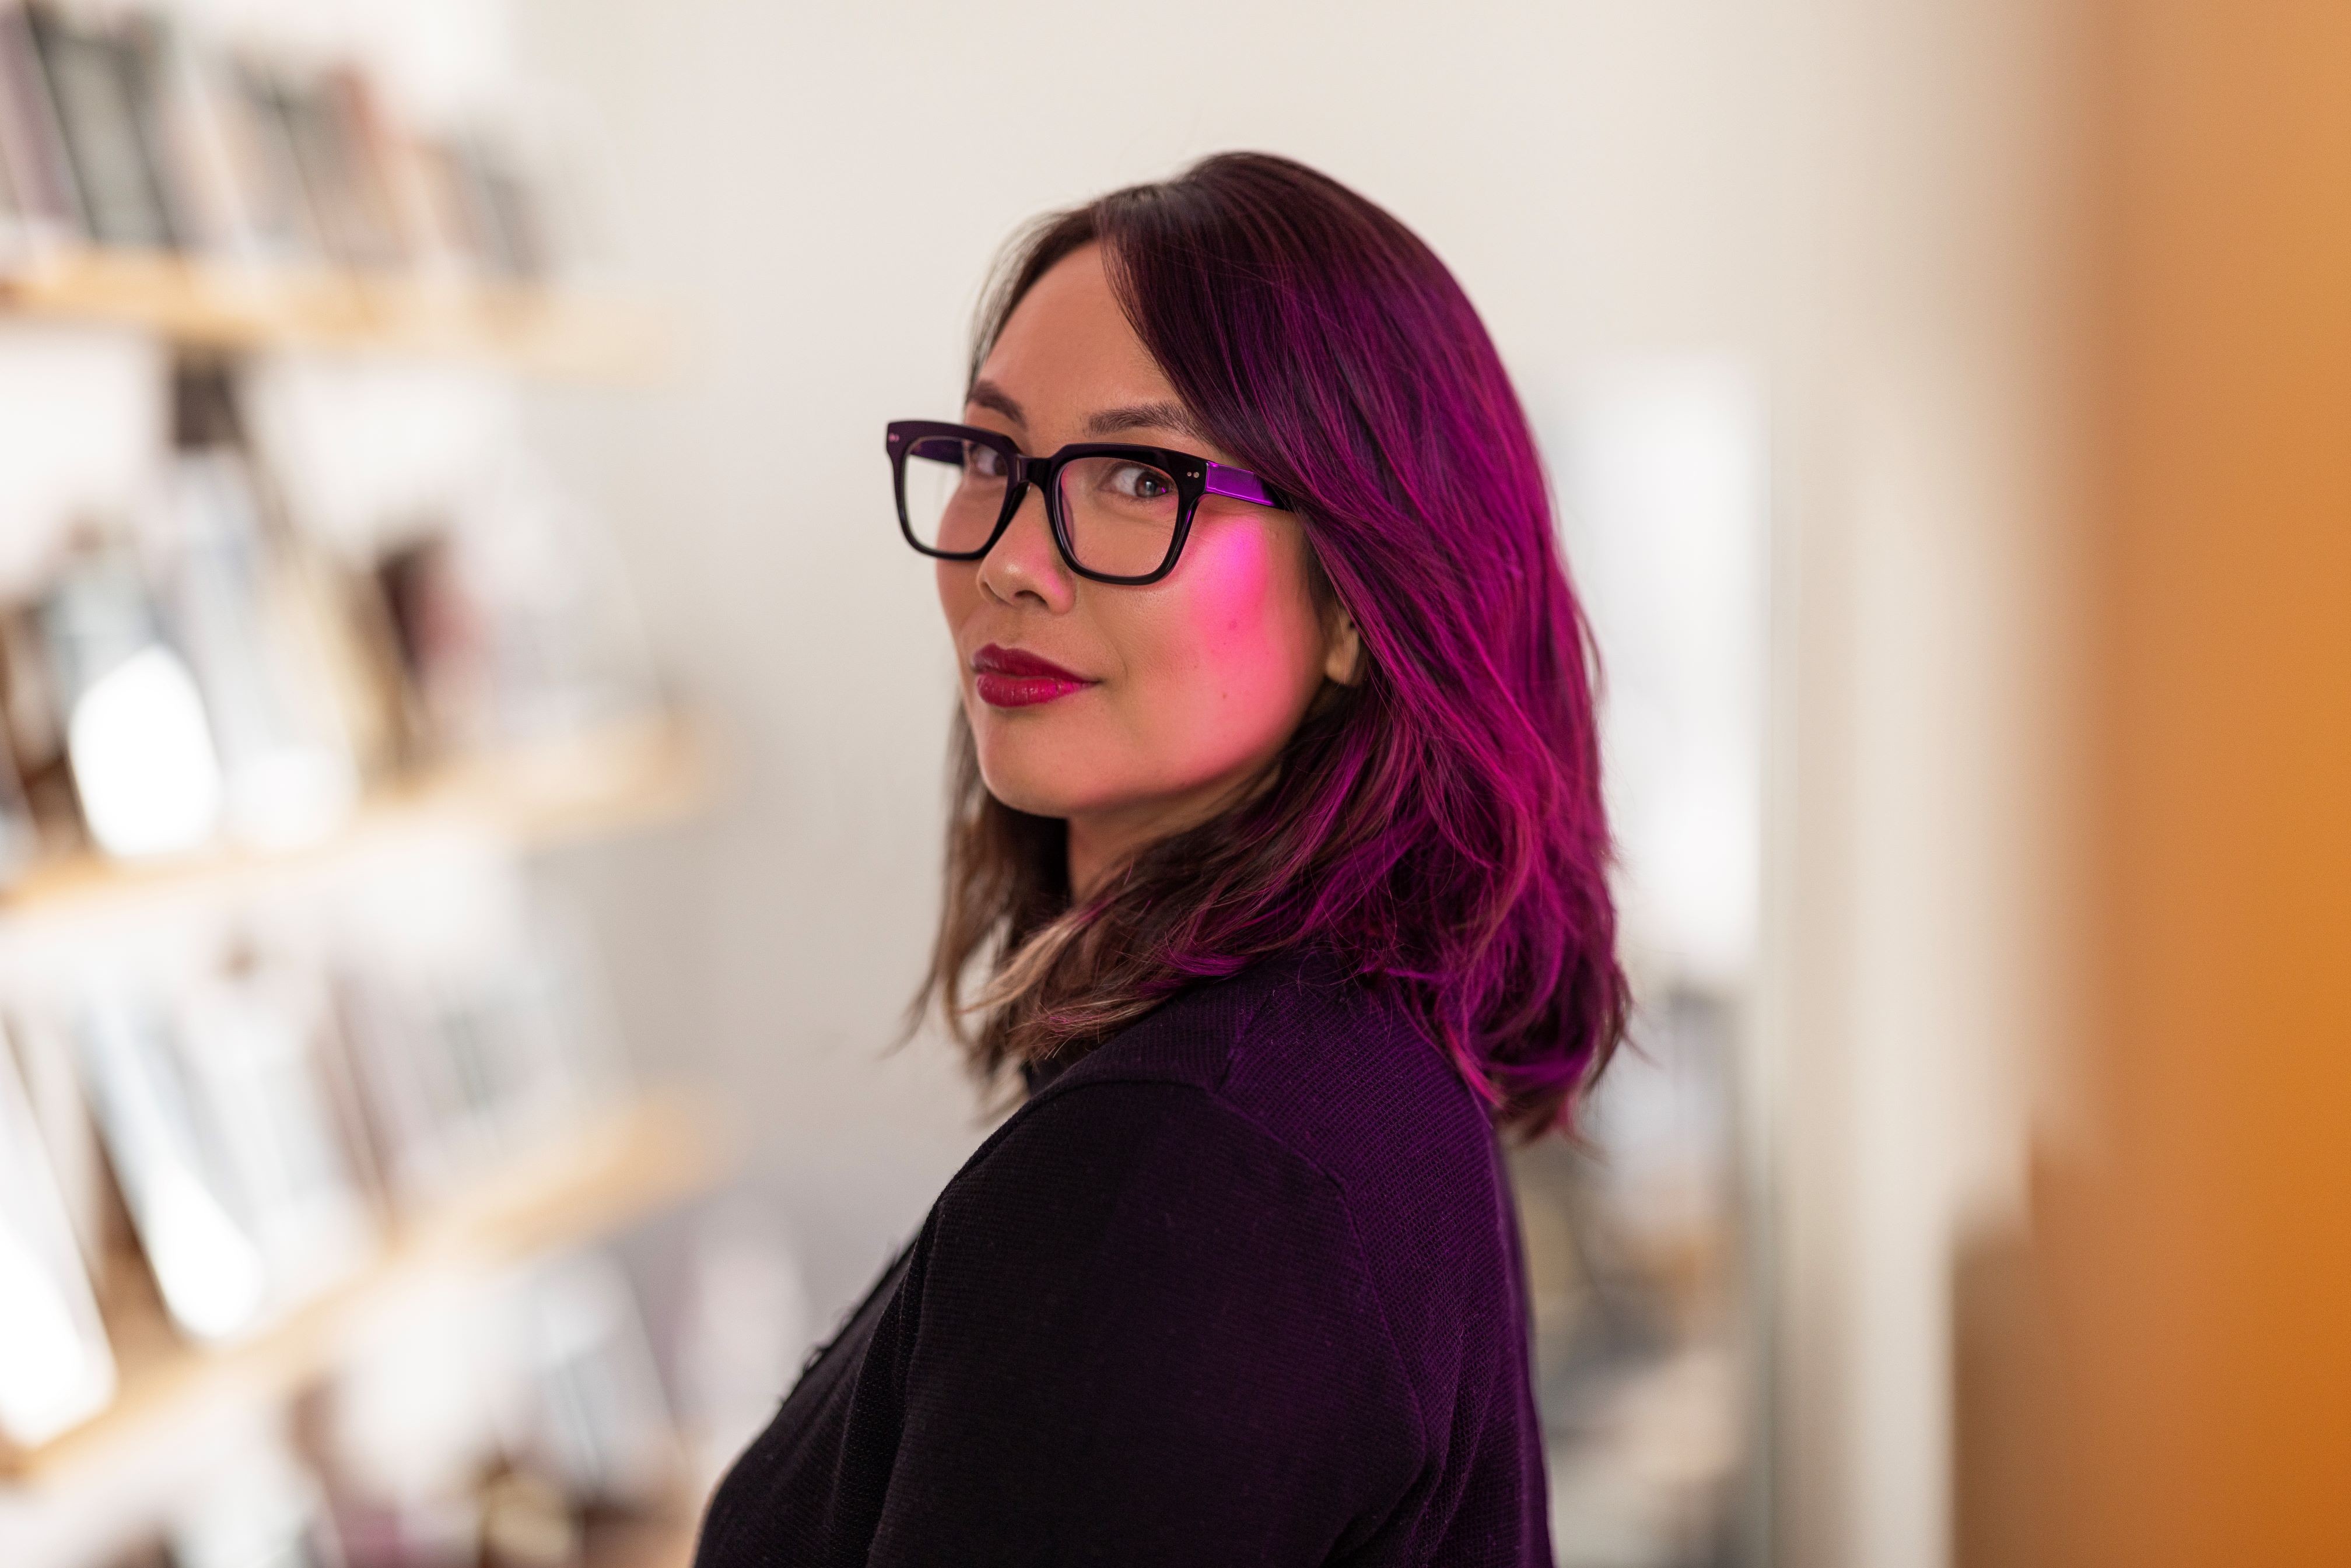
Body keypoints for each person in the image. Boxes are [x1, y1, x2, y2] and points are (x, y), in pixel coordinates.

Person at [693, 151, 1626, 1566]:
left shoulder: (1195, 1176)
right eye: (991, 455)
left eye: (1139, 475)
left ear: (1360, 604)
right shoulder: (1335, 1073)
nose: (1013, 553)